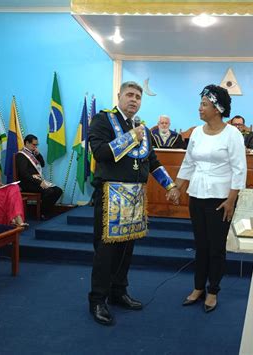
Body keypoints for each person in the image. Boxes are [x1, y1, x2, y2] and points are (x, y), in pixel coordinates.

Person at [87, 81, 180, 326]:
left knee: (127, 251)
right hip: (111, 197)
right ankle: (98, 300)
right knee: (106, 253)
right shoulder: (102, 120)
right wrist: (130, 137)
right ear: (119, 96)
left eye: (138, 97)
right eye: (129, 95)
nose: (134, 100)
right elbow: (100, 153)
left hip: (136, 198)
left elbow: (153, 161)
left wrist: (170, 186)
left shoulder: (144, 130)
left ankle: (118, 292)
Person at [174, 84, 247, 313]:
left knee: (216, 248)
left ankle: (213, 290)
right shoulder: (196, 132)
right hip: (196, 195)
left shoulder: (232, 134)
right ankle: (198, 288)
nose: (200, 108)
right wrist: (177, 187)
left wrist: (231, 200)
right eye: (200, 104)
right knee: (201, 246)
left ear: (217, 109)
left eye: (204, 105)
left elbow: (239, 169)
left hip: (221, 200)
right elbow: (188, 163)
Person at [15, 134, 62, 220]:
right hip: (27, 183)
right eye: (34, 144)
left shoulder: (32, 154)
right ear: (27, 143)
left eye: (37, 145)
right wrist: (39, 182)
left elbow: (42, 164)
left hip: (36, 181)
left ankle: (47, 211)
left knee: (58, 191)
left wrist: (38, 154)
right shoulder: (21, 155)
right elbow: (24, 173)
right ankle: (42, 213)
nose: (35, 147)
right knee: (49, 191)